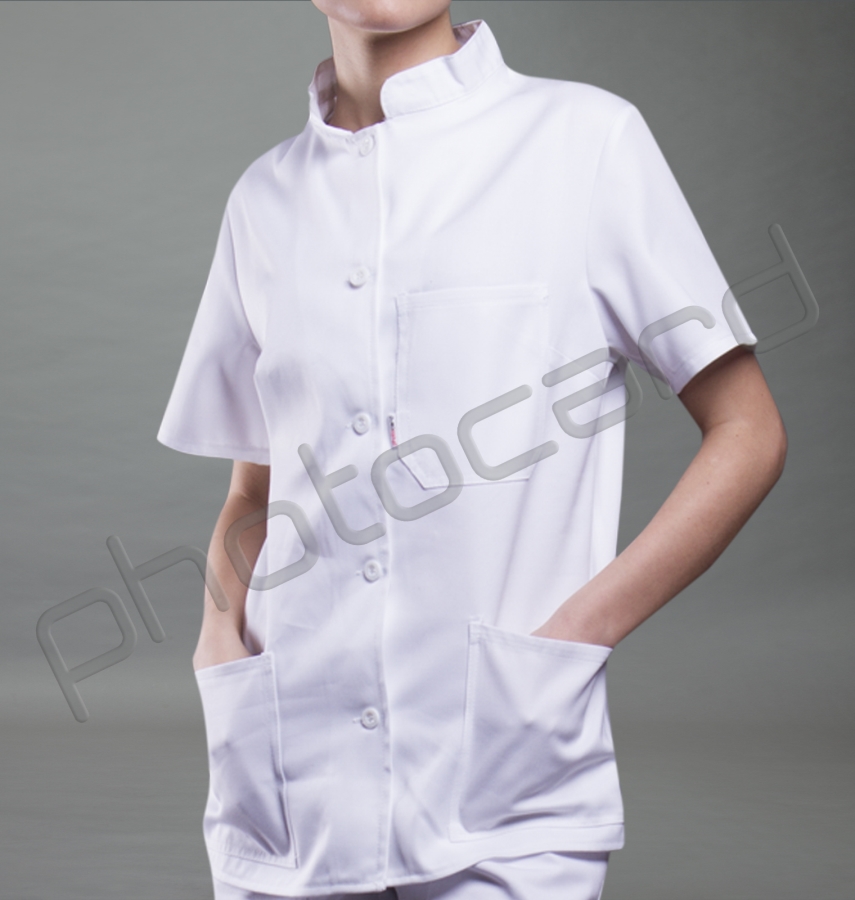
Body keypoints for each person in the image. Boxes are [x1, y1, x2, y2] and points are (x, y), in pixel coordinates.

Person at [156, 2, 787, 898]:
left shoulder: (584, 141)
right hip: (285, 789)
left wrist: (576, 635)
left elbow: (748, 431)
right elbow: (257, 490)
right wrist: (220, 637)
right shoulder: (263, 199)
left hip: (505, 779)